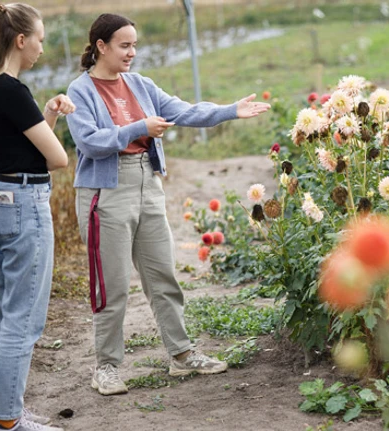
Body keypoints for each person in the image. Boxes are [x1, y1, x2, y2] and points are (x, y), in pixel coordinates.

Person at [66, 13, 270, 396]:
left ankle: (181, 355)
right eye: (125, 45)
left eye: (135, 45)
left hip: (149, 183)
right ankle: (106, 368)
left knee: (163, 276)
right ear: (101, 47)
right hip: (106, 193)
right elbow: (89, 142)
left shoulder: (140, 84)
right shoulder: (80, 91)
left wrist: (230, 110)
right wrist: (140, 128)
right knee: (112, 287)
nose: (133, 53)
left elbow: (185, 111)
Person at [0, 3, 75, 430]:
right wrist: (50, 124)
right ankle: (8, 422)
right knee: (23, 319)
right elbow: (58, 158)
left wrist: (47, 116)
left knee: (2, 312)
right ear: (21, 40)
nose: (42, 49)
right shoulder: (12, 89)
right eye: (40, 40)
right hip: (21, 206)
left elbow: (18, 149)